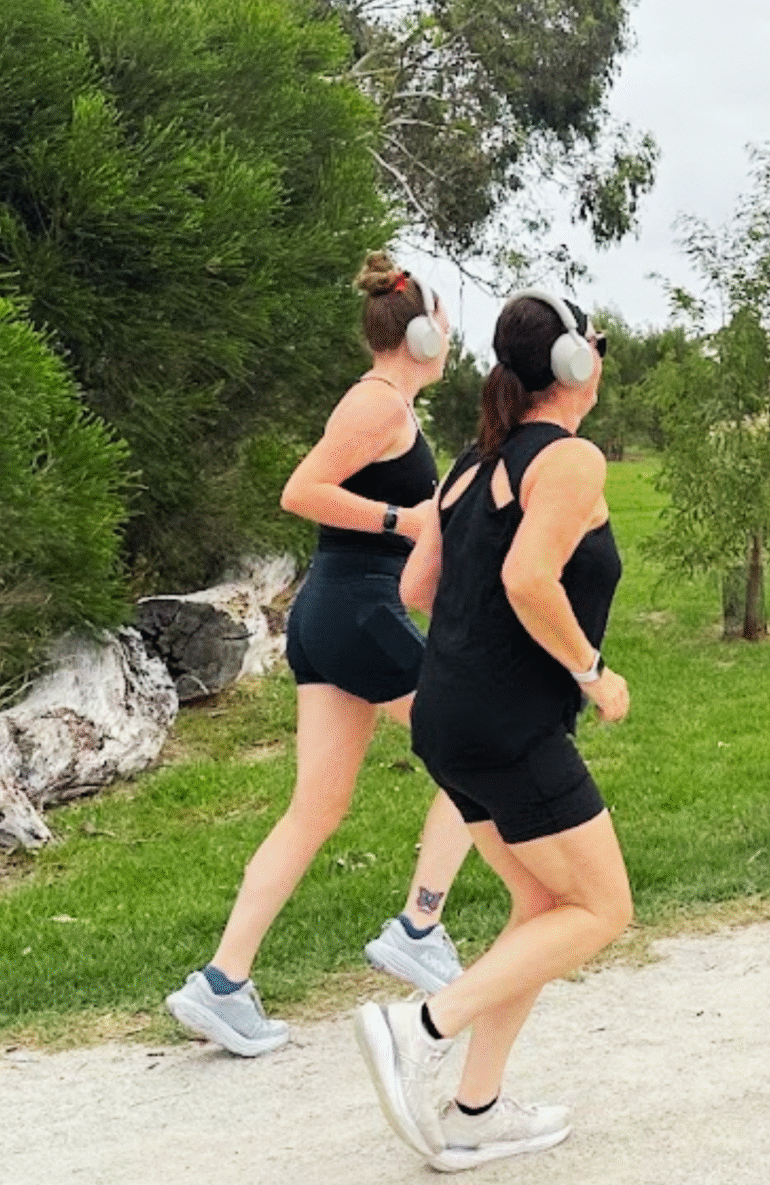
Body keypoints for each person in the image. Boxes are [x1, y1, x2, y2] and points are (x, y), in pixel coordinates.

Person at [164, 254, 477, 1058]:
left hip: (333, 612)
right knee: (478, 751)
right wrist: (401, 523)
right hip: (353, 609)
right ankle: (419, 927)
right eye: (443, 323)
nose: (450, 335)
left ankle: (222, 984)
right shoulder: (378, 408)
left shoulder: (387, 406)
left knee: (318, 807)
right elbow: (302, 491)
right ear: (418, 335)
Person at [355, 289, 630, 1172]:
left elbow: (417, 591)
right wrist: (592, 671)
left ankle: (475, 1111)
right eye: (593, 345)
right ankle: (420, 1027)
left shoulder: (470, 468)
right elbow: (528, 578)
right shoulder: (570, 459)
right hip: (511, 726)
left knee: (542, 908)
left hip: (449, 717)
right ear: (574, 366)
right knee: (601, 908)